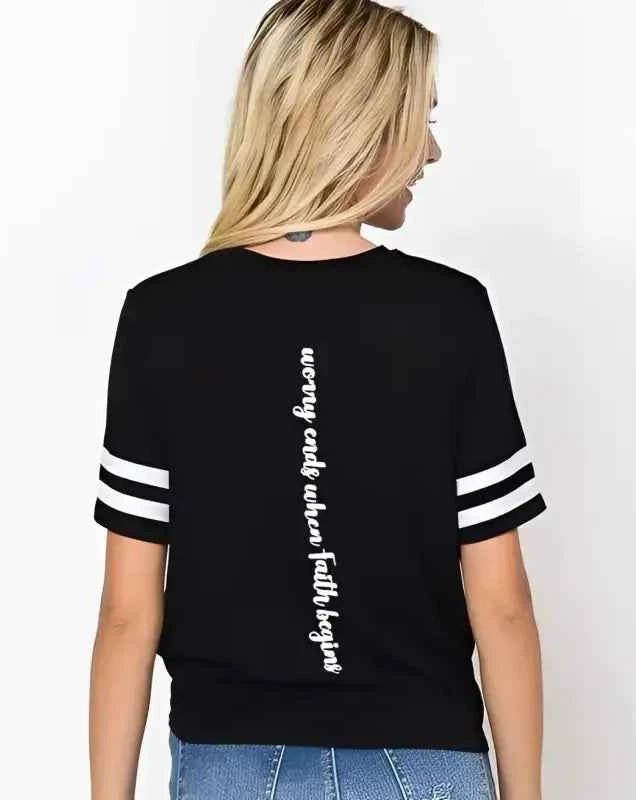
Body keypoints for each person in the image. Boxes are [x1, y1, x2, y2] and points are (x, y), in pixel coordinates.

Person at [89, 2, 547, 798]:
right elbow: (500, 605)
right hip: (425, 765)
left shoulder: (164, 318)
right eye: (422, 119)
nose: (431, 151)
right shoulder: (449, 313)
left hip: (230, 766)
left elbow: (128, 615)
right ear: (361, 124)